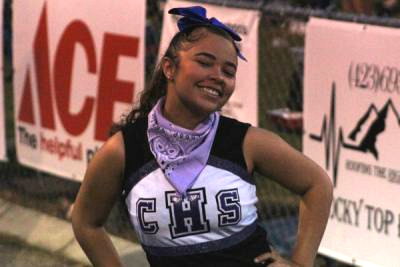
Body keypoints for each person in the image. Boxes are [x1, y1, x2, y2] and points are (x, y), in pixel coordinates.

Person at [72, 6, 333, 267]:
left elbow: (317, 185)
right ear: (169, 68)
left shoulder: (247, 142)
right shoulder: (123, 150)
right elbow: (86, 222)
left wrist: (300, 264)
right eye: (205, 62)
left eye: (228, 71)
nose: (218, 76)